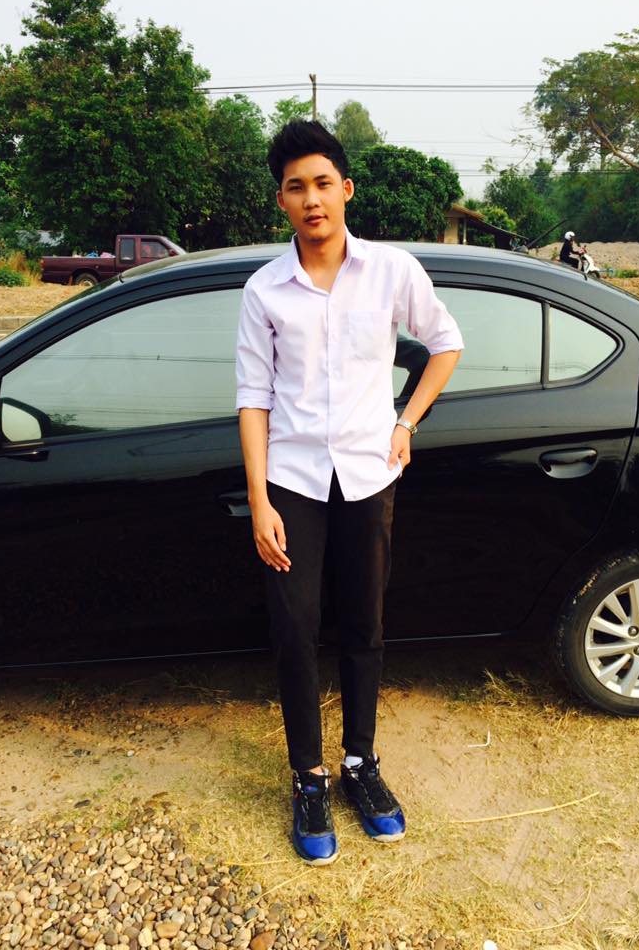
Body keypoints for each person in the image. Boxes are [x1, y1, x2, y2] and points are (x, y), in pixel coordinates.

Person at [235, 120, 463, 866]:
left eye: (323, 184)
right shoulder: (265, 290)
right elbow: (254, 398)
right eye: (296, 187)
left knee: (364, 623)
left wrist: (407, 420)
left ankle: (361, 763)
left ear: (346, 190)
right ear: (282, 200)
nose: (312, 199)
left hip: (368, 474)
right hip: (293, 482)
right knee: (295, 628)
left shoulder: (392, 271)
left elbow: (446, 343)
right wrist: (260, 501)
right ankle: (308, 777)